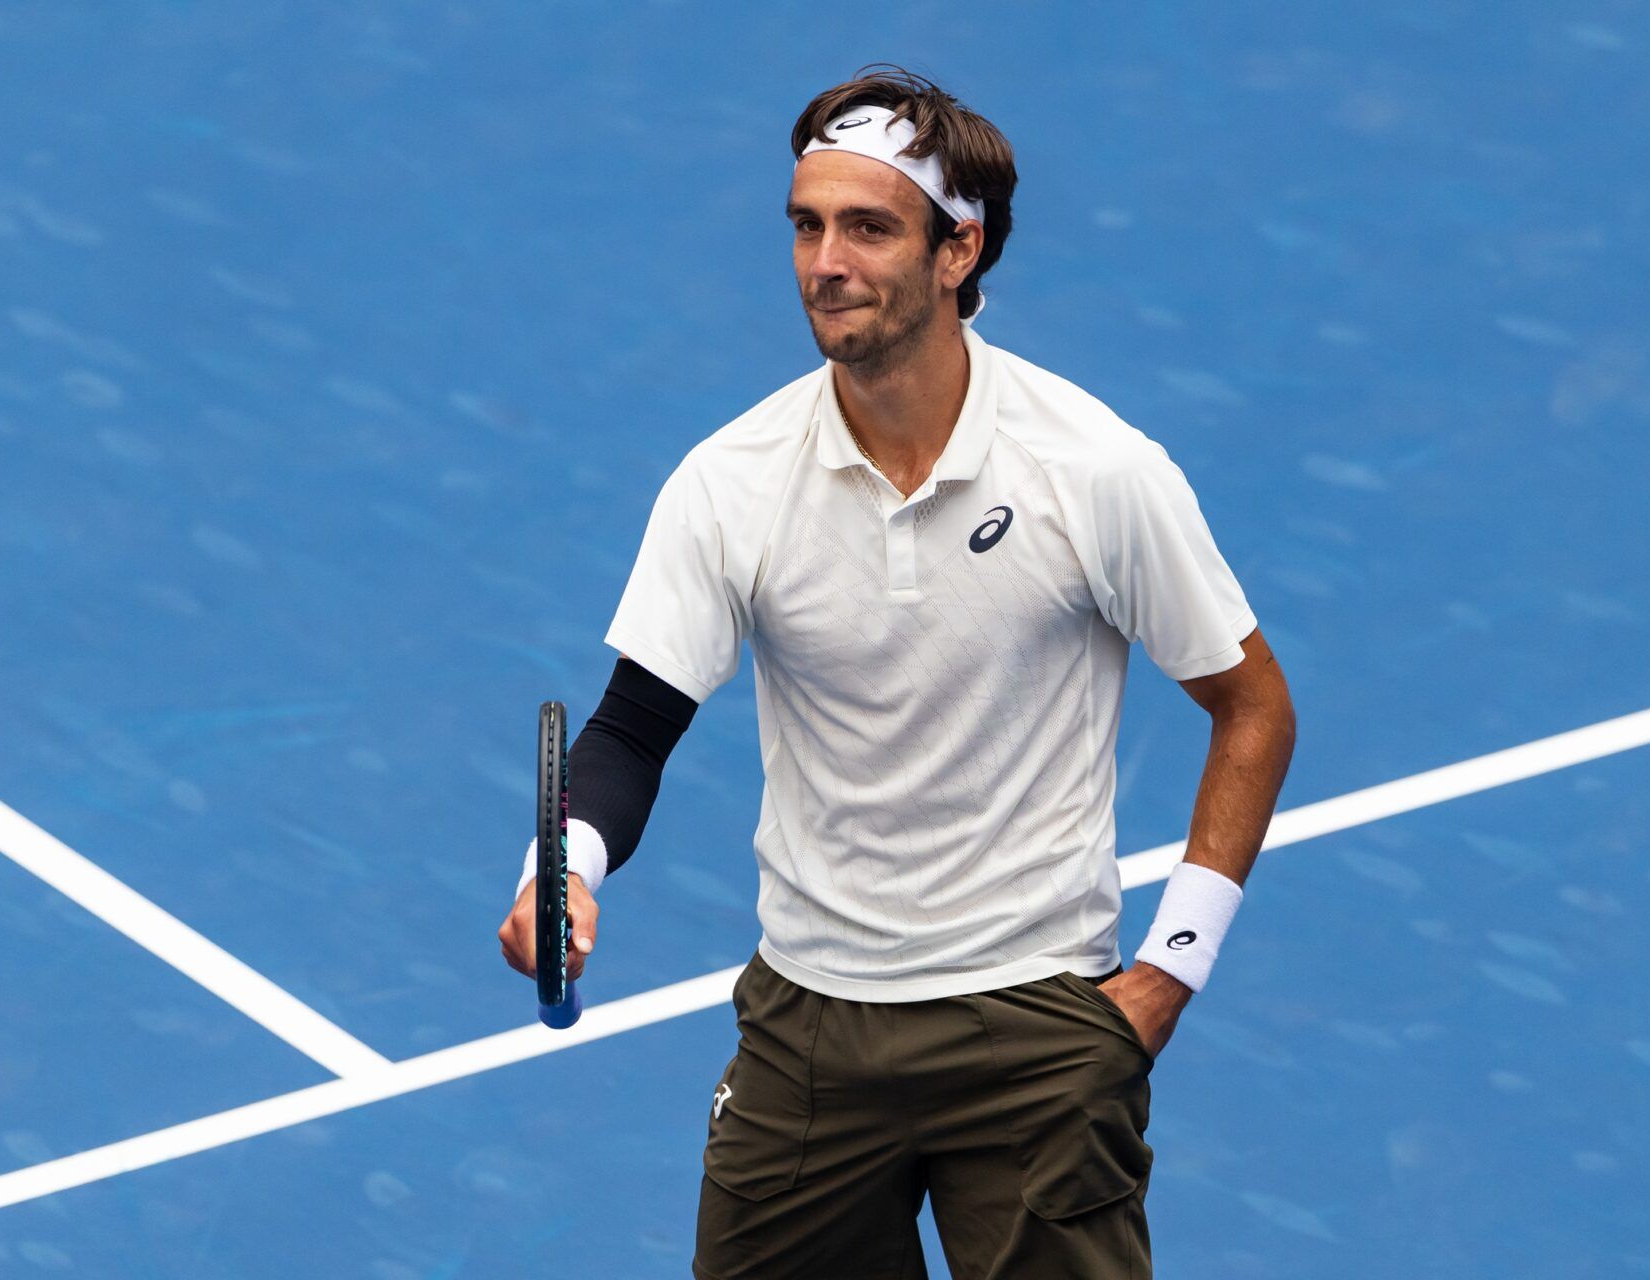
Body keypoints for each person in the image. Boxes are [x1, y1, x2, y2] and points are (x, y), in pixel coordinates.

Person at [498, 63, 1297, 1280]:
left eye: (869, 227)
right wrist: (565, 863)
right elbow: (630, 730)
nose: (827, 262)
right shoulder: (730, 481)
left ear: (958, 250)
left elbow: (1252, 708)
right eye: (808, 225)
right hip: (809, 1028)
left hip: (1034, 1021)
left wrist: (1167, 974)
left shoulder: (1096, 470)